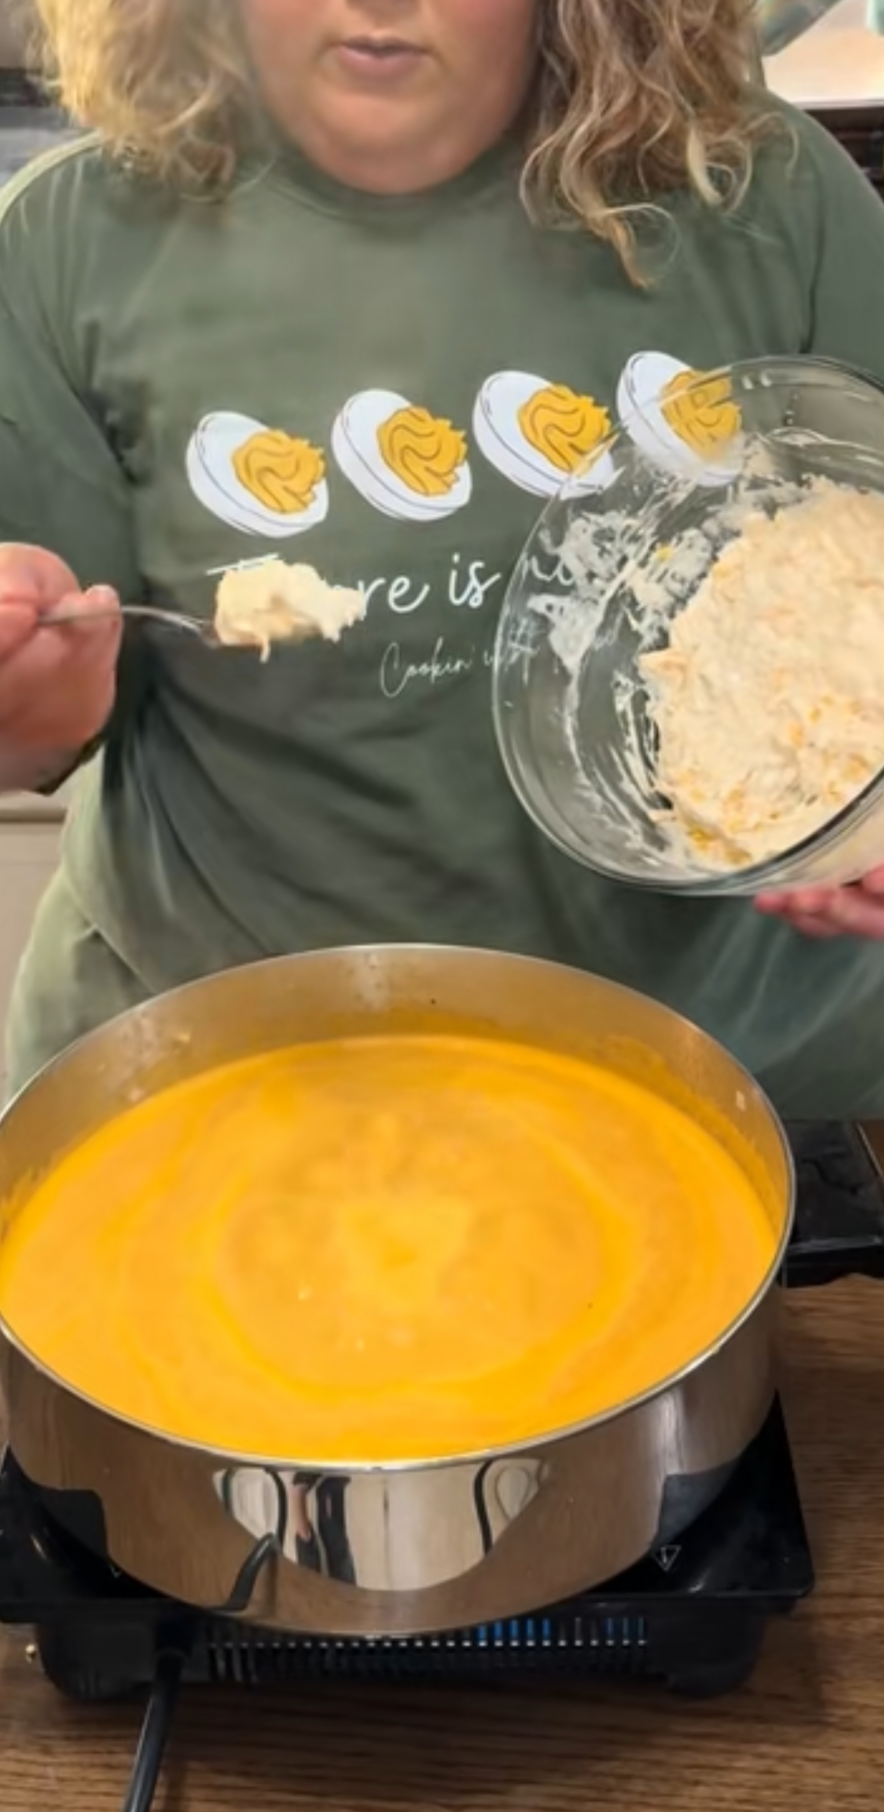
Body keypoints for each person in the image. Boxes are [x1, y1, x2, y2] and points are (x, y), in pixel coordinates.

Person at [2, 0, 884, 1117]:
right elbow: (42, 719)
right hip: (230, 1063)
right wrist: (31, 698)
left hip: (728, 1071)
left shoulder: (761, 189)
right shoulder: (68, 241)